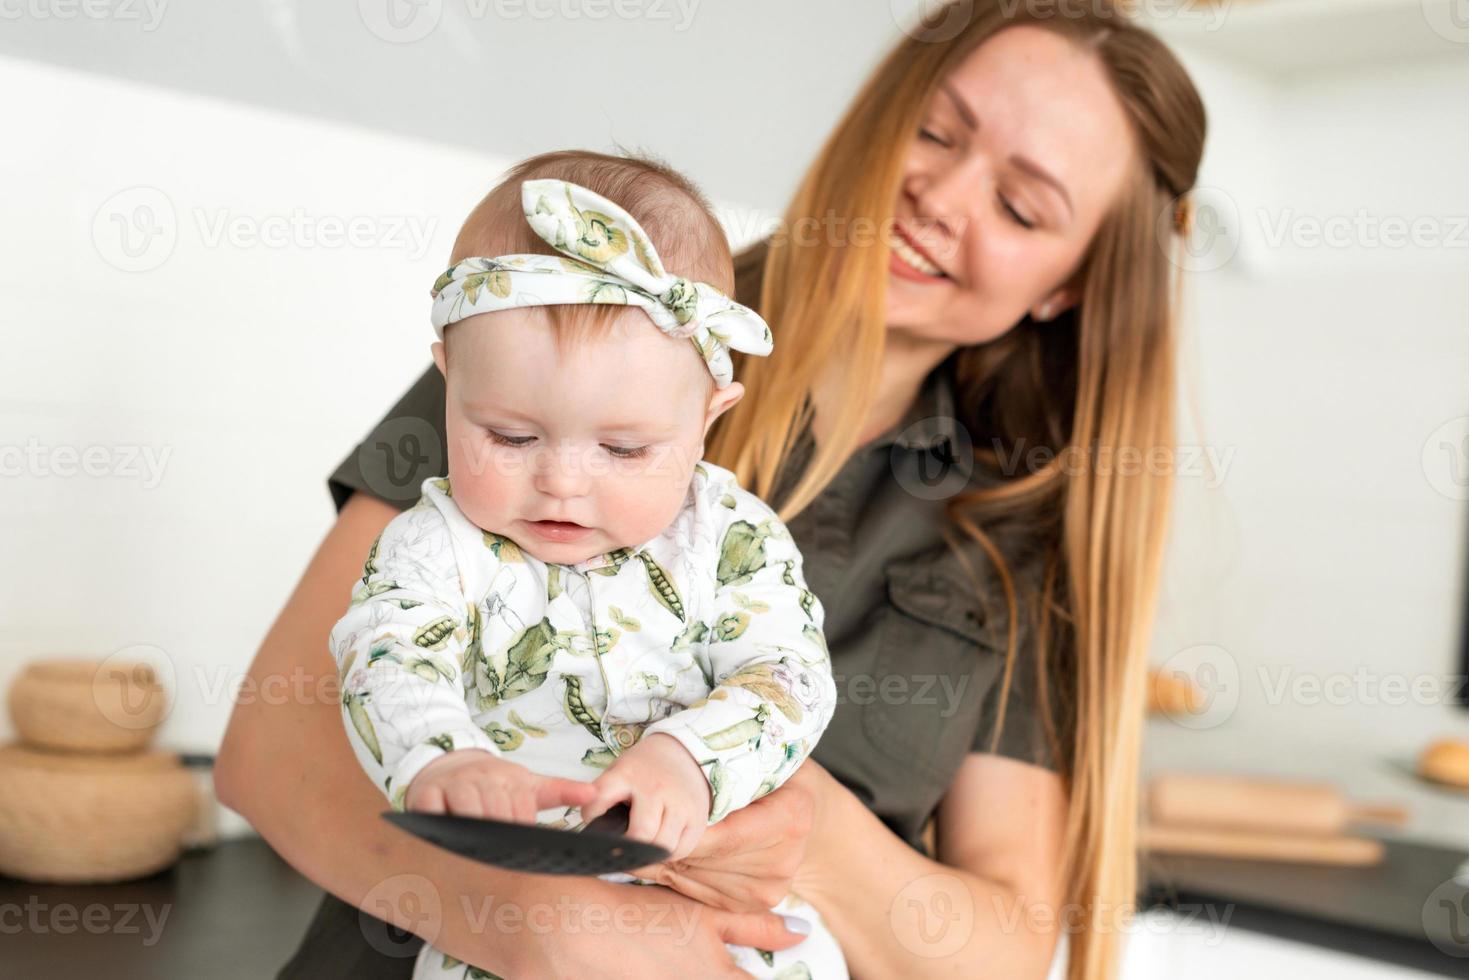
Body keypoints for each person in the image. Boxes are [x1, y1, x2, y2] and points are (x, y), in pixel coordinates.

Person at [216, 3, 1207, 977]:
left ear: (1063, 287)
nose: (940, 194)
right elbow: (273, 749)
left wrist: (780, 809)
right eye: (934, 130)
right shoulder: (567, 317)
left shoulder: (1012, 529)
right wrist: (543, 924)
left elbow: (995, 949)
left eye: (1019, 205)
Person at [331, 161, 846, 979]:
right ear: (448, 382)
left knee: (804, 956)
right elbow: (385, 655)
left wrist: (688, 758)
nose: (563, 481)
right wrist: (442, 759)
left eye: (624, 449)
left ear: (707, 417)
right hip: (513, 908)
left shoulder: (729, 537)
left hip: (707, 895)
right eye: (509, 436)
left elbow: (788, 675)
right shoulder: (437, 545)